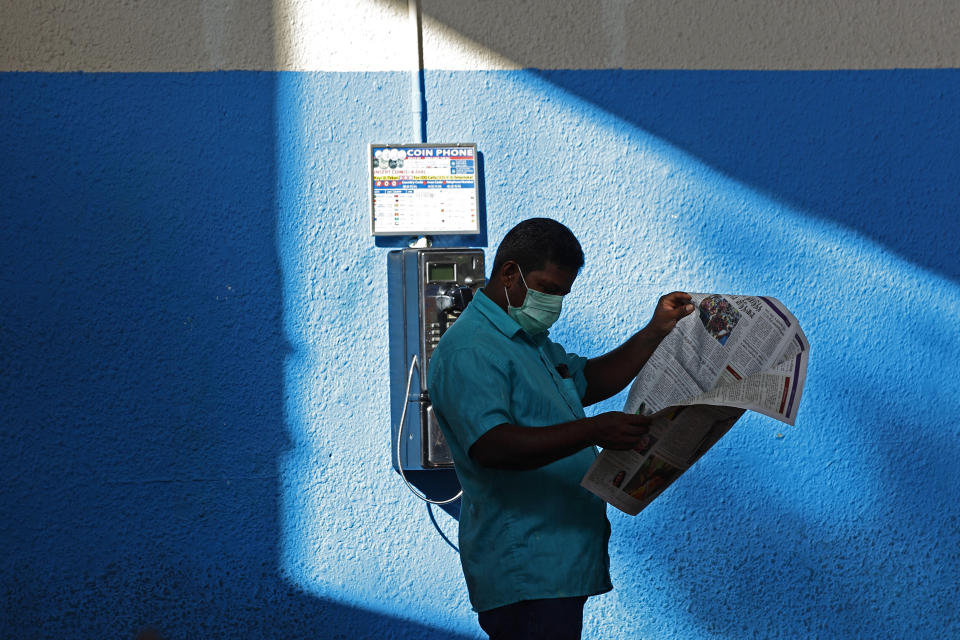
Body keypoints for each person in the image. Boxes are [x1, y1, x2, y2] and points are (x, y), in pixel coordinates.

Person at [427, 218, 694, 640]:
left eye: (562, 294)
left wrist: (655, 330)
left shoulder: (527, 340)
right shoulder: (470, 349)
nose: (554, 303)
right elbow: (491, 446)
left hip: (558, 564)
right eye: (547, 289)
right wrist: (593, 432)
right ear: (509, 273)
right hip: (525, 568)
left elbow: (590, 380)